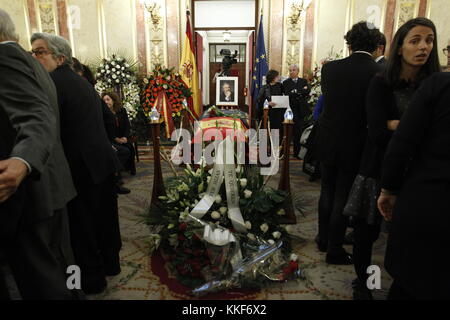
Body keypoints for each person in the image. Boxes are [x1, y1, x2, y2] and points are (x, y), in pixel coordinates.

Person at [347, 18, 440, 299]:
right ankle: (363, 282)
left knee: (410, 234)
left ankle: (405, 284)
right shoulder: (381, 83)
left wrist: (397, 124)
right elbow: (376, 131)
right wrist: (415, 126)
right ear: (399, 47)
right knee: (367, 232)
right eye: (415, 41)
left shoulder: (435, 84)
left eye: (429, 40)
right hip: (378, 167)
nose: (423, 47)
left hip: (418, 172)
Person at [31, 32, 122, 294]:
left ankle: (92, 281)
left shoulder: (52, 83)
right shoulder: (81, 82)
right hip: (101, 161)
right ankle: (110, 265)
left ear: (59, 57)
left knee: (82, 227)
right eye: (33, 52)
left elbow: (50, 130)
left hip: (79, 167)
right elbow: (106, 118)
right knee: (105, 219)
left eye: (40, 52)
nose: (34, 57)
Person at [0, 9, 79, 299]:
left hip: (27, 190)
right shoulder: (32, 62)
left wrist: (23, 160)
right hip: (54, 183)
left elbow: (37, 117)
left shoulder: (4, 59)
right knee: (64, 262)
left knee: (41, 279)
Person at [311, 22, 383, 264]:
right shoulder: (378, 72)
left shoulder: (330, 69)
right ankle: (334, 249)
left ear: (349, 43)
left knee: (327, 190)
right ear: (376, 46)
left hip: (327, 138)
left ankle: (322, 238)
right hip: (355, 142)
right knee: (343, 193)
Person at [377, 71, 450, 300]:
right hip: (431, 203)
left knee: (413, 282)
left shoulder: (439, 85)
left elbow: (402, 142)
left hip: (431, 200)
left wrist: (388, 188)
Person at [102, 92, 136, 176]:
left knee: (130, 147)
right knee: (122, 150)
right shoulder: (103, 113)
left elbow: (127, 125)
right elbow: (105, 130)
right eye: (104, 100)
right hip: (111, 139)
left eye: (108, 99)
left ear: (113, 100)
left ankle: (130, 168)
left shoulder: (122, 110)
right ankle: (116, 171)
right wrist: (116, 139)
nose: (106, 102)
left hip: (122, 137)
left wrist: (124, 137)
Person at [282, 64, 311, 159]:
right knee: (288, 132)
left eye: (293, 70)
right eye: (290, 70)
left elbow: (306, 91)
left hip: (300, 110)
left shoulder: (303, 81)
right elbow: (287, 93)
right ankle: (285, 153)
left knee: (299, 132)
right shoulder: (286, 82)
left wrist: (295, 92)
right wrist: (299, 92)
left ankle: (297, 153)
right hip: (290, 110)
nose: (291, 72)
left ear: (298, 71)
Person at [256, 70, 285, 147]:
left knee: (276, 132)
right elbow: (259, 100)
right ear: (273, 78)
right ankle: (265, 151)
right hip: (268, 113)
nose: (279, 77)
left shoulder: (281, 86)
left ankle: (275, 151)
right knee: (266, 131)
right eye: (277, 76)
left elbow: (284, 96)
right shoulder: (265, 87)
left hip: (278, 113)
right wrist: (268, 103)